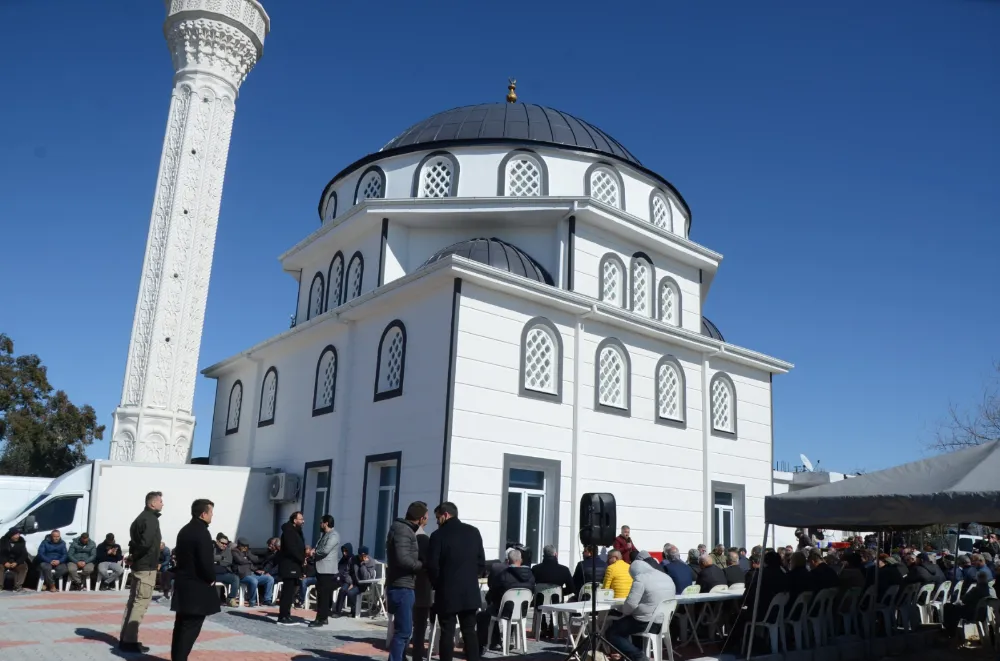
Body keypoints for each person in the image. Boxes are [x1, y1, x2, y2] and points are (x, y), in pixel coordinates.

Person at [427, 502, 486, 661]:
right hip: (469, 591)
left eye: (438, 517)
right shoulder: (473, 532)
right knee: (469, 631)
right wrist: (470, 577)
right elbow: (481, 562)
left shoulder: (438, 535)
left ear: (445, 515)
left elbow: (432, 566)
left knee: (447, 632)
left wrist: (438, 584)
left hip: (447, 592)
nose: (437, 521)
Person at [170, 499, 221, 661]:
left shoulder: (184, 530)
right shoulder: (202, 532)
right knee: (190, 628)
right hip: (197, 587)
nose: (212, 515)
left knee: (181, 626)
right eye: (211, 512)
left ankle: (177, 657)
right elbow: (205, 561)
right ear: (203, 514)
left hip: (184, 583)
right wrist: (211, 578)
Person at [606, 559, 676, 661]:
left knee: (612, 632)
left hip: (645, 623)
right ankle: (635, 654)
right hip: (663, 622)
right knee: (630, 624)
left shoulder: (640, 579)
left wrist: (621, 609)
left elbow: (630, 605)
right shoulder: (666, 577)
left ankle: (638, 656)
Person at [121, 490, 163, 654]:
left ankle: (125, 638)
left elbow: (135, 542)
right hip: (146, 567)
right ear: (152, 503)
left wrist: (133, 556)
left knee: (133, 602)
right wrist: (135, 556)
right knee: (140, 603)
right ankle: (130, 641)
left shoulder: (139, 518)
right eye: (160, 501)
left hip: (140, 566)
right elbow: (145, 544)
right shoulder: (151, 519)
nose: (162, 504)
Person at [386, 502, 427, 661]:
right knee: (403, 631)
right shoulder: (404, 530)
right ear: (421, 518)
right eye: (426, 517)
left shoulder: (403, 529)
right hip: (402, 585)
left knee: (403, 629)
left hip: (402, 584)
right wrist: (421, 565)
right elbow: (403, 559)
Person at [478, 548, 535, 651]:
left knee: (483, 614)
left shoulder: (503, 576)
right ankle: (509, 638)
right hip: (522, 612)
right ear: (521, 560)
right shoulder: (531, 576)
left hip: (504, 611)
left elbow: (493, 593)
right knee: (509, 607)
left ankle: (490, 643)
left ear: (508, 561)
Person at [309, 515, 340, 628]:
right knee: (321, 594)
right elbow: (319, 547)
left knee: (324, 595)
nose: (320, 524)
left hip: (327, 570)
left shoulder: (334, 535)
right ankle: (324, 617)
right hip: (321, 569)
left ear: (326, 523)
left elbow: (325, 550)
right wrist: (314, 550)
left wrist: (314, 552)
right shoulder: (325, 535)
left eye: (321, 522)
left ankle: (320, 619)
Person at [277, 511, 306, 625]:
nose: (303, 521)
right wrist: (301, 559)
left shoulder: (297, 531)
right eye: (301, 519)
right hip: (289, 565)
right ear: (294, 520)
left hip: (295, 565)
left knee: (291, 592)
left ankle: (287, 615)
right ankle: (283, 616)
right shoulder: (289, 531)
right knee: (287, 592)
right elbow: (292, 549)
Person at [412, 517, 434, 661]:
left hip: (408, 586)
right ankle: (417, 655)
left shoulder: (404, 537)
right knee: (420, 625)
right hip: (422, 589)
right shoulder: (424, 539)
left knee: (406, 625)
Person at [232, 537, 275, 608]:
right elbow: (240, 561)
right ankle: (252, 601)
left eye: (246, 546)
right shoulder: (234, 551)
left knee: (269, 579)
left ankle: (267, 600)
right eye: (243, 546)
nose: (245, 548)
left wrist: (248, 555)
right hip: (242, 575)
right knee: (253, 581)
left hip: (252, 573)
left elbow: (255, 559)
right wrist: (249, 561)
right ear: (239, 545)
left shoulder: (247, 551)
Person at [212, 533, 239, 607]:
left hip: (223, 573)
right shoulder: (211, 548)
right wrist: (221, 558)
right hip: (211, 574)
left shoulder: (227, 550)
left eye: (226, 544)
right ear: (217, 542)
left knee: (235, 578)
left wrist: (217, 562)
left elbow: (228, 562)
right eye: (222, 543)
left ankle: (230, 598)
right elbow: (208, 558)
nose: (224, 545)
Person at [333, 543, 359, 616]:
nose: (344, 553)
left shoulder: (353, 559)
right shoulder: (343, 559)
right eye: (343, 551)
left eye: (346, 551)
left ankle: (338, 612)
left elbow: (353, 573)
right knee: (327, 586)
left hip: (349, 581)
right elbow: (338, 569)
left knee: (343, 590)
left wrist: (351, 583)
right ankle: (327, 606)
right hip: (340, 579)